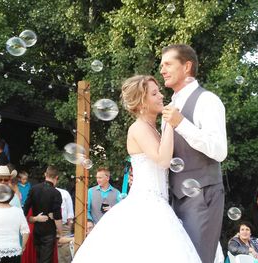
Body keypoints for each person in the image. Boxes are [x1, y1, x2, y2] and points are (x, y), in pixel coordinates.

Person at [72, 75, 201, 262]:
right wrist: (172, 125)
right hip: (146, 204)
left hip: (160, 203)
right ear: (141, 102)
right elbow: (163, 160)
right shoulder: (138, 128)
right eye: (154, 93)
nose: (160, 96)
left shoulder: (153, 129)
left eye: (159, 92)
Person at [160, 44, 227, 263]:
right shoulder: (170, 106)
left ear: (187, 66)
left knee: (197, 259)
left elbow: (219, 151)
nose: (162, 70)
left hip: (202, 195)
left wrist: (181, 124)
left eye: (168, 64)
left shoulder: (208, 100)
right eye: (161, 65)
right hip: (172, 198)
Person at [23, 165, 63, 263]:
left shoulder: (34, 189)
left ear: (45, 174)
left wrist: (34, 218)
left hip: (36, 230)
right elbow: (57, 217)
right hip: (49, 231)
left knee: (39, 258)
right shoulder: (56, 193)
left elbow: (25, 210)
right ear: (56, 177)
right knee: (46, 260)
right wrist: (61, 234)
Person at [56, 187, 74, 263]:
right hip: (47, 227)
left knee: (65, 255)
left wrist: (68, 229)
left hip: (63, 226)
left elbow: (70, 214)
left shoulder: (64, 193)